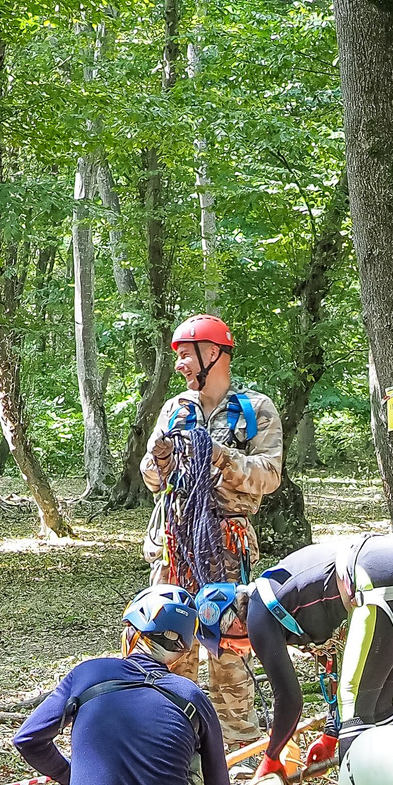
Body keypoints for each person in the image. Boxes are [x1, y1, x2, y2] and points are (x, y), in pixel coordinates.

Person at [10, 586, 242, 785]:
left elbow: (28, 739)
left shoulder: (87, 674)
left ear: (131, 632)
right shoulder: (191, 696)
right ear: (181, 650)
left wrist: (72, 777)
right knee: (189, 749)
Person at [198, 532, 393, 785]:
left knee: (354, 706)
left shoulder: (258, 615)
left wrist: (271, 757)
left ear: (235, 623)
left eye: (226, 644)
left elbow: (290, 700)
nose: (235, 651)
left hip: (378, 570)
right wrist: (331, 734)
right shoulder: (283, 602)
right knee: (379, 702)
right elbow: (338, 661)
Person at [140, 316, 280, 740]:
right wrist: (160, 459)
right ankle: (167, 739)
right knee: (165, 640)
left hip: (226, 545)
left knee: (229, 651)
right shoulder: (175, 409)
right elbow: (151, 479)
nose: (180, 364)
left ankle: (236, 745)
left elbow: (270, 475)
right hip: (175, 544)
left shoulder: (255, 410)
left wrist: (220, 456)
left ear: (213, 353)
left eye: (185, 354)